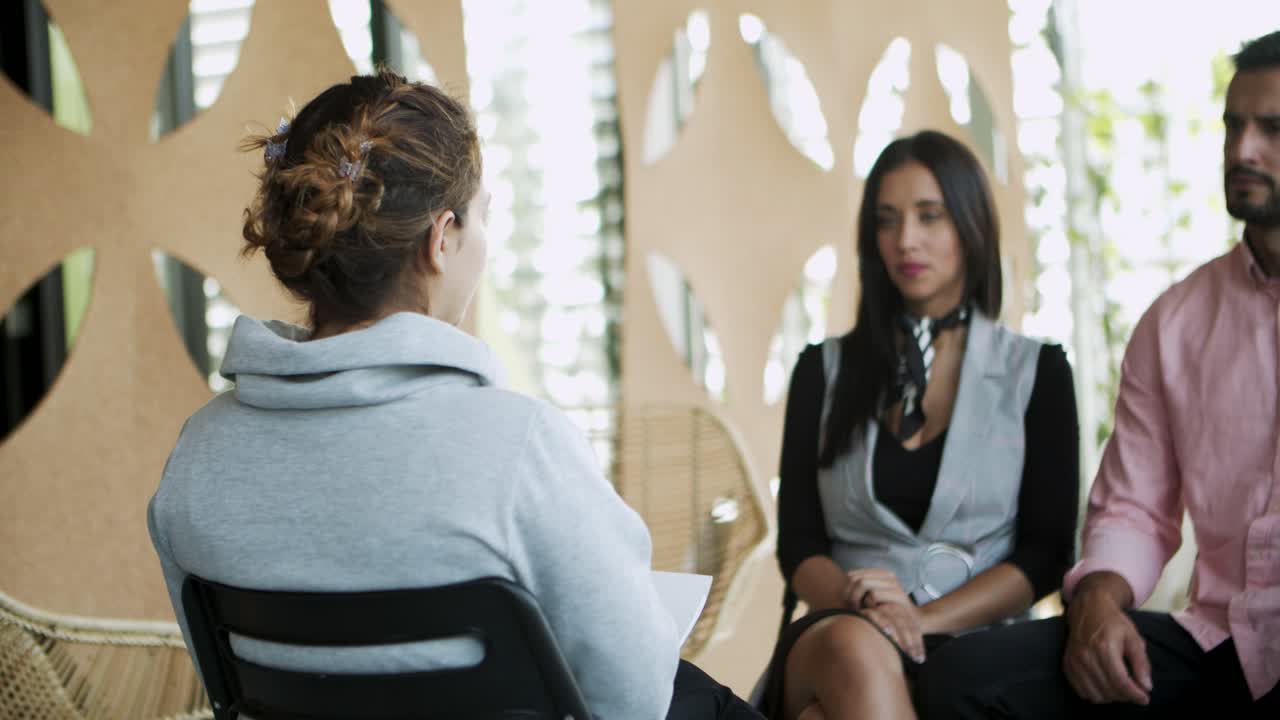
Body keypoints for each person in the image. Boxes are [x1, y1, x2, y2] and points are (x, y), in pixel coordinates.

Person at [147, 71, 761, 720]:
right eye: (483, 217)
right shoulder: (517, 447)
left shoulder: (198, 457)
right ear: (441, 241)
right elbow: (634, 698)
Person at [916, 30, 1280, 719]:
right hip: (1221, 642)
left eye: (1272, 129)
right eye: (1233, 126)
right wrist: (1097, 607)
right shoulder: (1175, 323)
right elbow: (1134, 508)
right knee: (964, 677)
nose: (1242, 151)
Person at [762, 129, 1081, 720]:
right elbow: (800, 546)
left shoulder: (1037, 372)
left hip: (982, 639)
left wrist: (922, 620)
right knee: (855, 651)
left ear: (970, 224)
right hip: (842, 629)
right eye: (887, 221)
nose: (905, 240)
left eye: (928, 216)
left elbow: (1045, 553)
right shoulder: (820, 371)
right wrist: (861, 602)